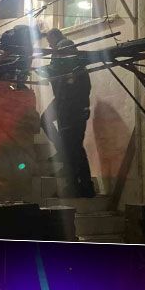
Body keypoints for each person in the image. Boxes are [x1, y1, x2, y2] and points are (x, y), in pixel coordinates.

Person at [39, 28, 95, 198]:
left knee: (73, 148)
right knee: (74, 147)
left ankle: (76, 186)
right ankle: (84, 186)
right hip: (69, 106)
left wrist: (44, 70)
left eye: (50, 41)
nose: (50, 45)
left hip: (71, 109)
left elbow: (56, 71)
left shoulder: (67, 54)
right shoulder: (71, 62)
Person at [0, 24, 35, 90]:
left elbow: (27, 58)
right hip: (14, 58)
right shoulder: (8, 36)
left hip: (17, 59)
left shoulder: (12, 36)